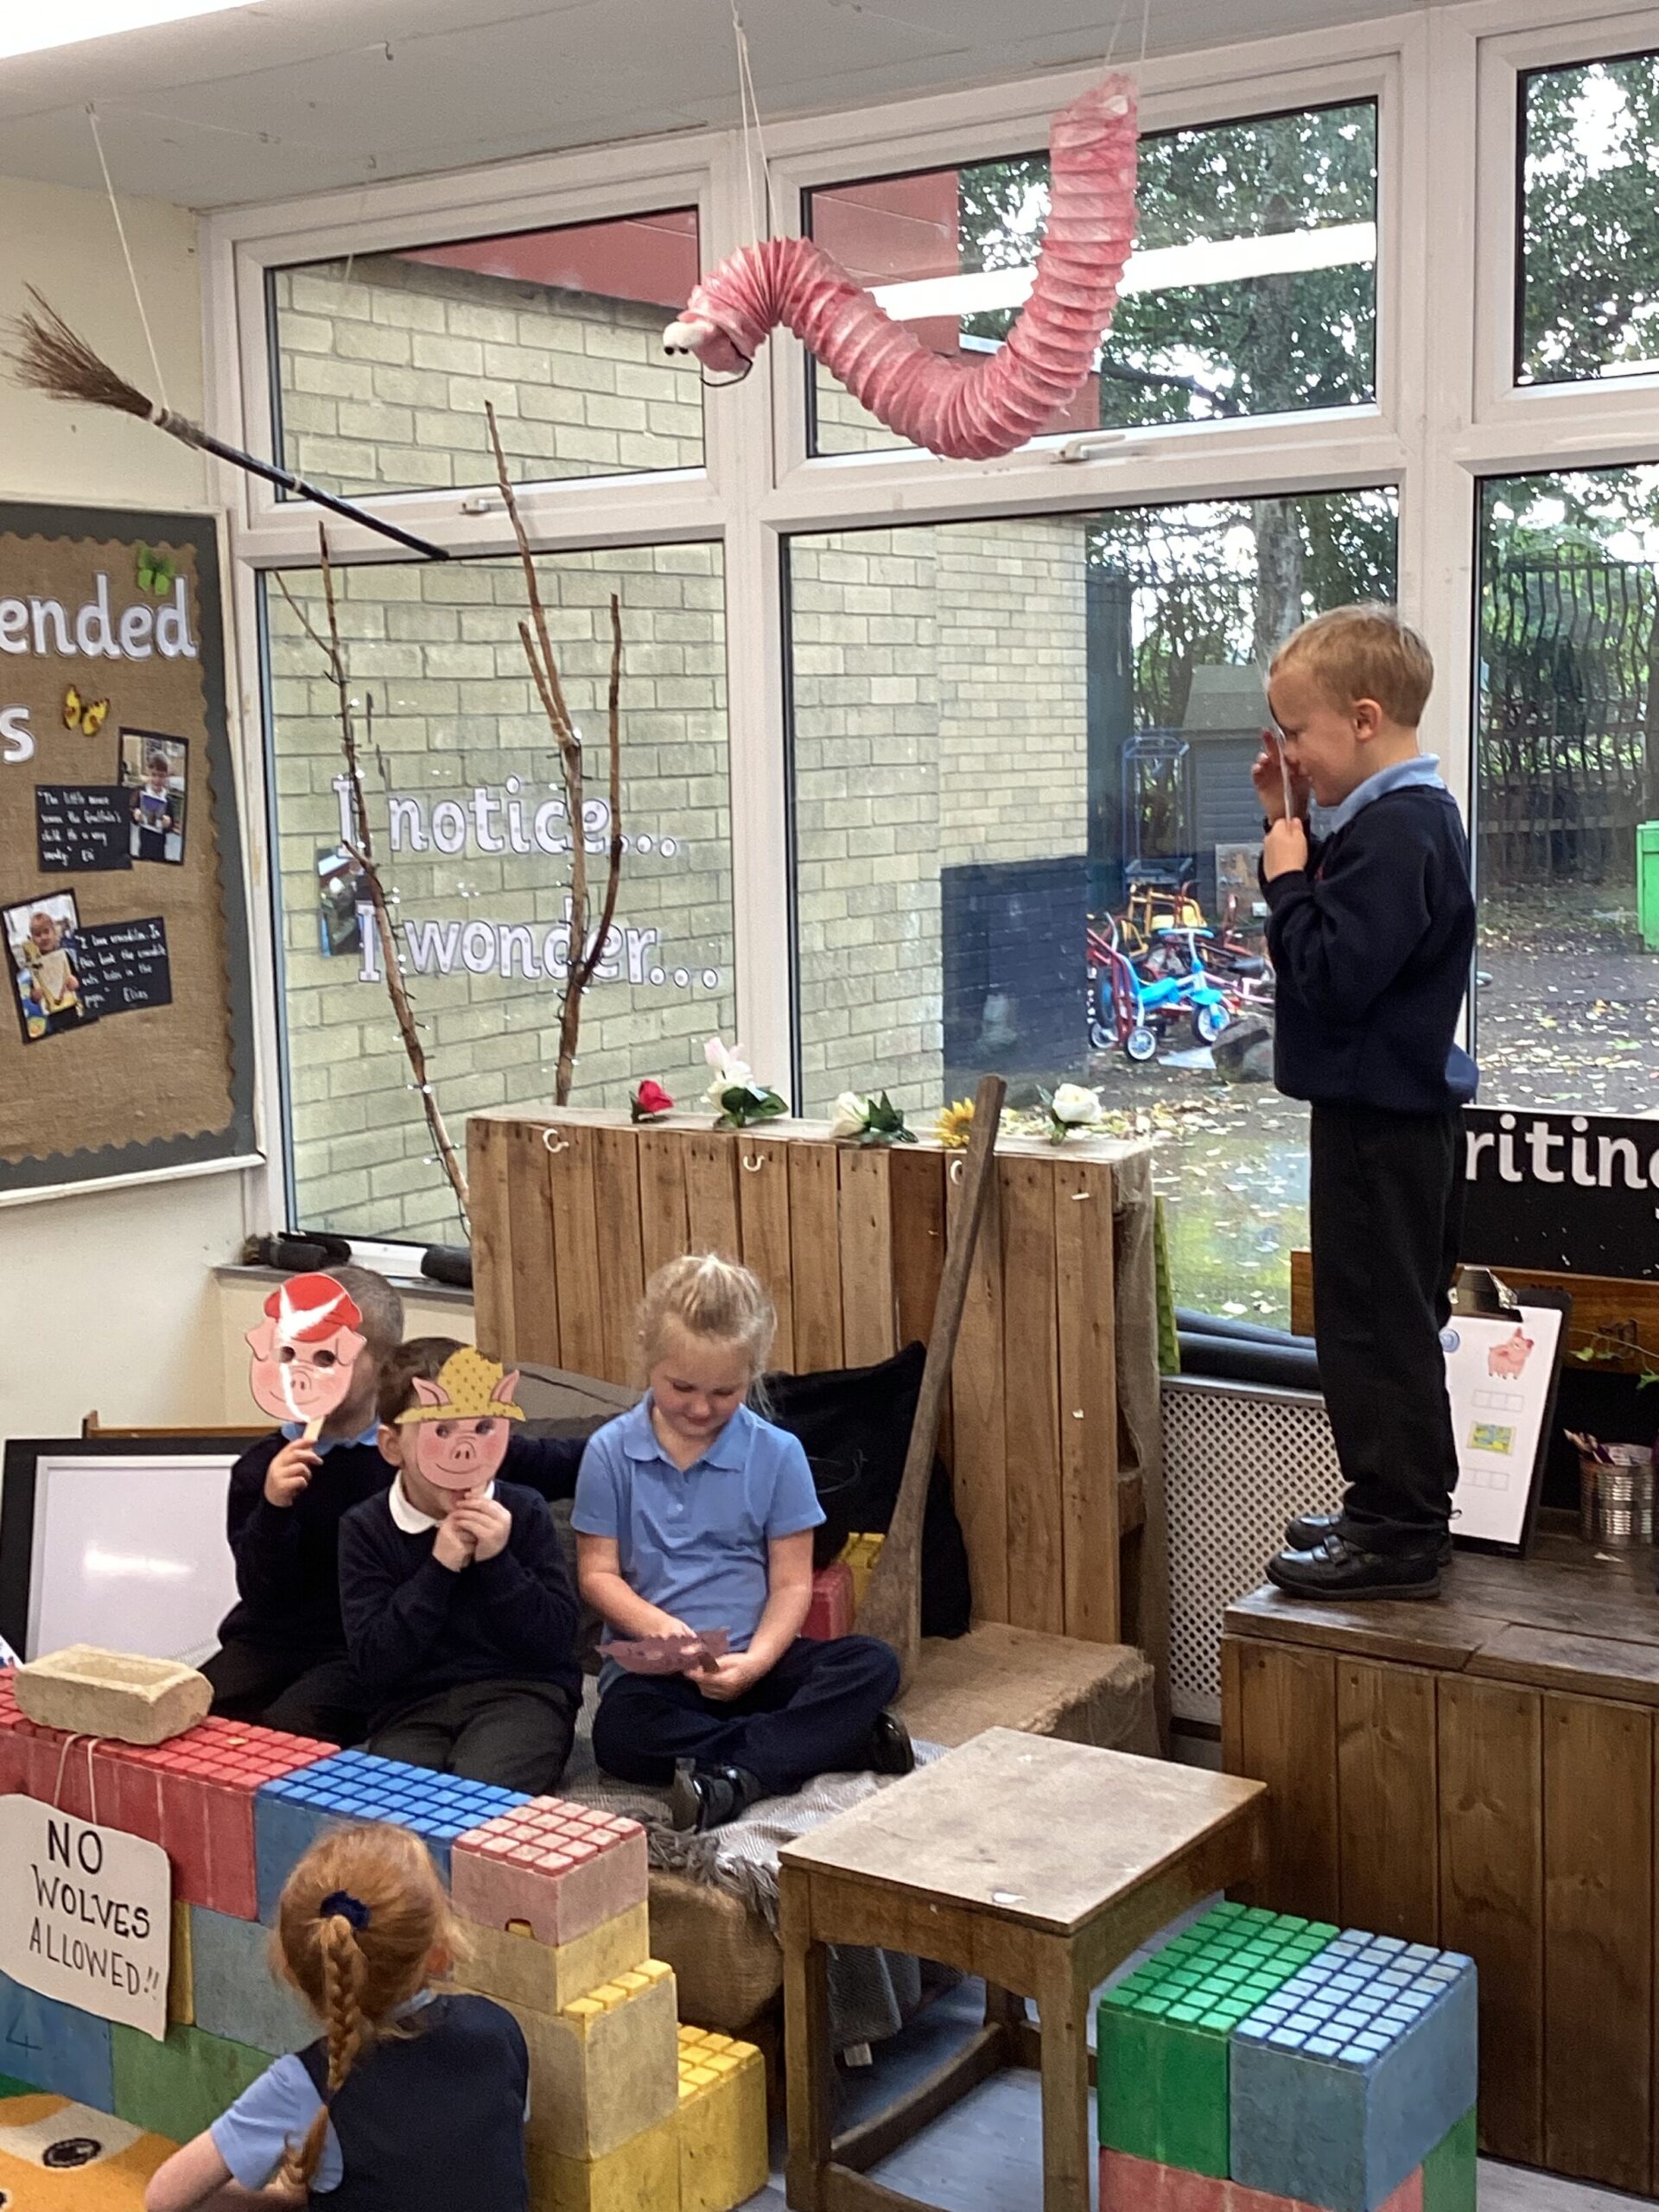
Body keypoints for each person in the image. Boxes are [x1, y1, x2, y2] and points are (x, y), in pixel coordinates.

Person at [1255, 604, 1476, 1600]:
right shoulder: (1402, 820)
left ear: (1364, 717)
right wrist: (1289, 822)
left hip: (1379, 1124)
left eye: (1297, 731)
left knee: (1374, 1325)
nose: (1291, 751)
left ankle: (1398, 1530)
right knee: (1378, 1315)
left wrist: (1287, 882)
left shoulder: (1397, 832)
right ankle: (1389, 1505)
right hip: (1382, 1114)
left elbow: (1332, 976)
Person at [574, 1253, 912, 1832]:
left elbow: (792, 1583)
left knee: (874, 1663)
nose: (700, 1408)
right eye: (682, 1387)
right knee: (619, 1738)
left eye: (725, 1392)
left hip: (760, 1662)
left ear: (753, 1372)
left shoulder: (778, 1454)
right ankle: (827, 1745)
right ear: (648, 1355)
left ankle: (740, 1775)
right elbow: (597, 1574)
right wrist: (660, 1628)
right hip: (657, 1674)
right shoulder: (608, 1452)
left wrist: (755, 1662)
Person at [143, 1821, 528, 2212]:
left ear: (293, 1971)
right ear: (439, 1952)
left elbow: (163, 2198)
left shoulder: (303, 2084)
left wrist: (280, 2200)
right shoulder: (497, 2028)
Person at [337, 1339, 582, 1793]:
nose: (463, 1453)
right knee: (399, 1806)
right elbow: (373, 1663)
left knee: (482, 1794)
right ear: (392, 1447)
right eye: (441, 1432)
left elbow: (555, 1645)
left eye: (483, 1428)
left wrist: (499, 1562)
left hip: (520, 1695)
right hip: (412, 1708)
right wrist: (438, 1569)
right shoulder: (366, 1528)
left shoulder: (524, 1511)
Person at [132, 753, 179, 861]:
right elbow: (133, 814)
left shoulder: (167, 799)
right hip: (144, 841)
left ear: (167, 776)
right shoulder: (142, 793)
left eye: (161, 776)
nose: (157, 779)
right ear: (149, 773)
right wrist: (135, 815)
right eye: (154, 775)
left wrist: (168, 824)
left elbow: (171, 825)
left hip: (159, 844)